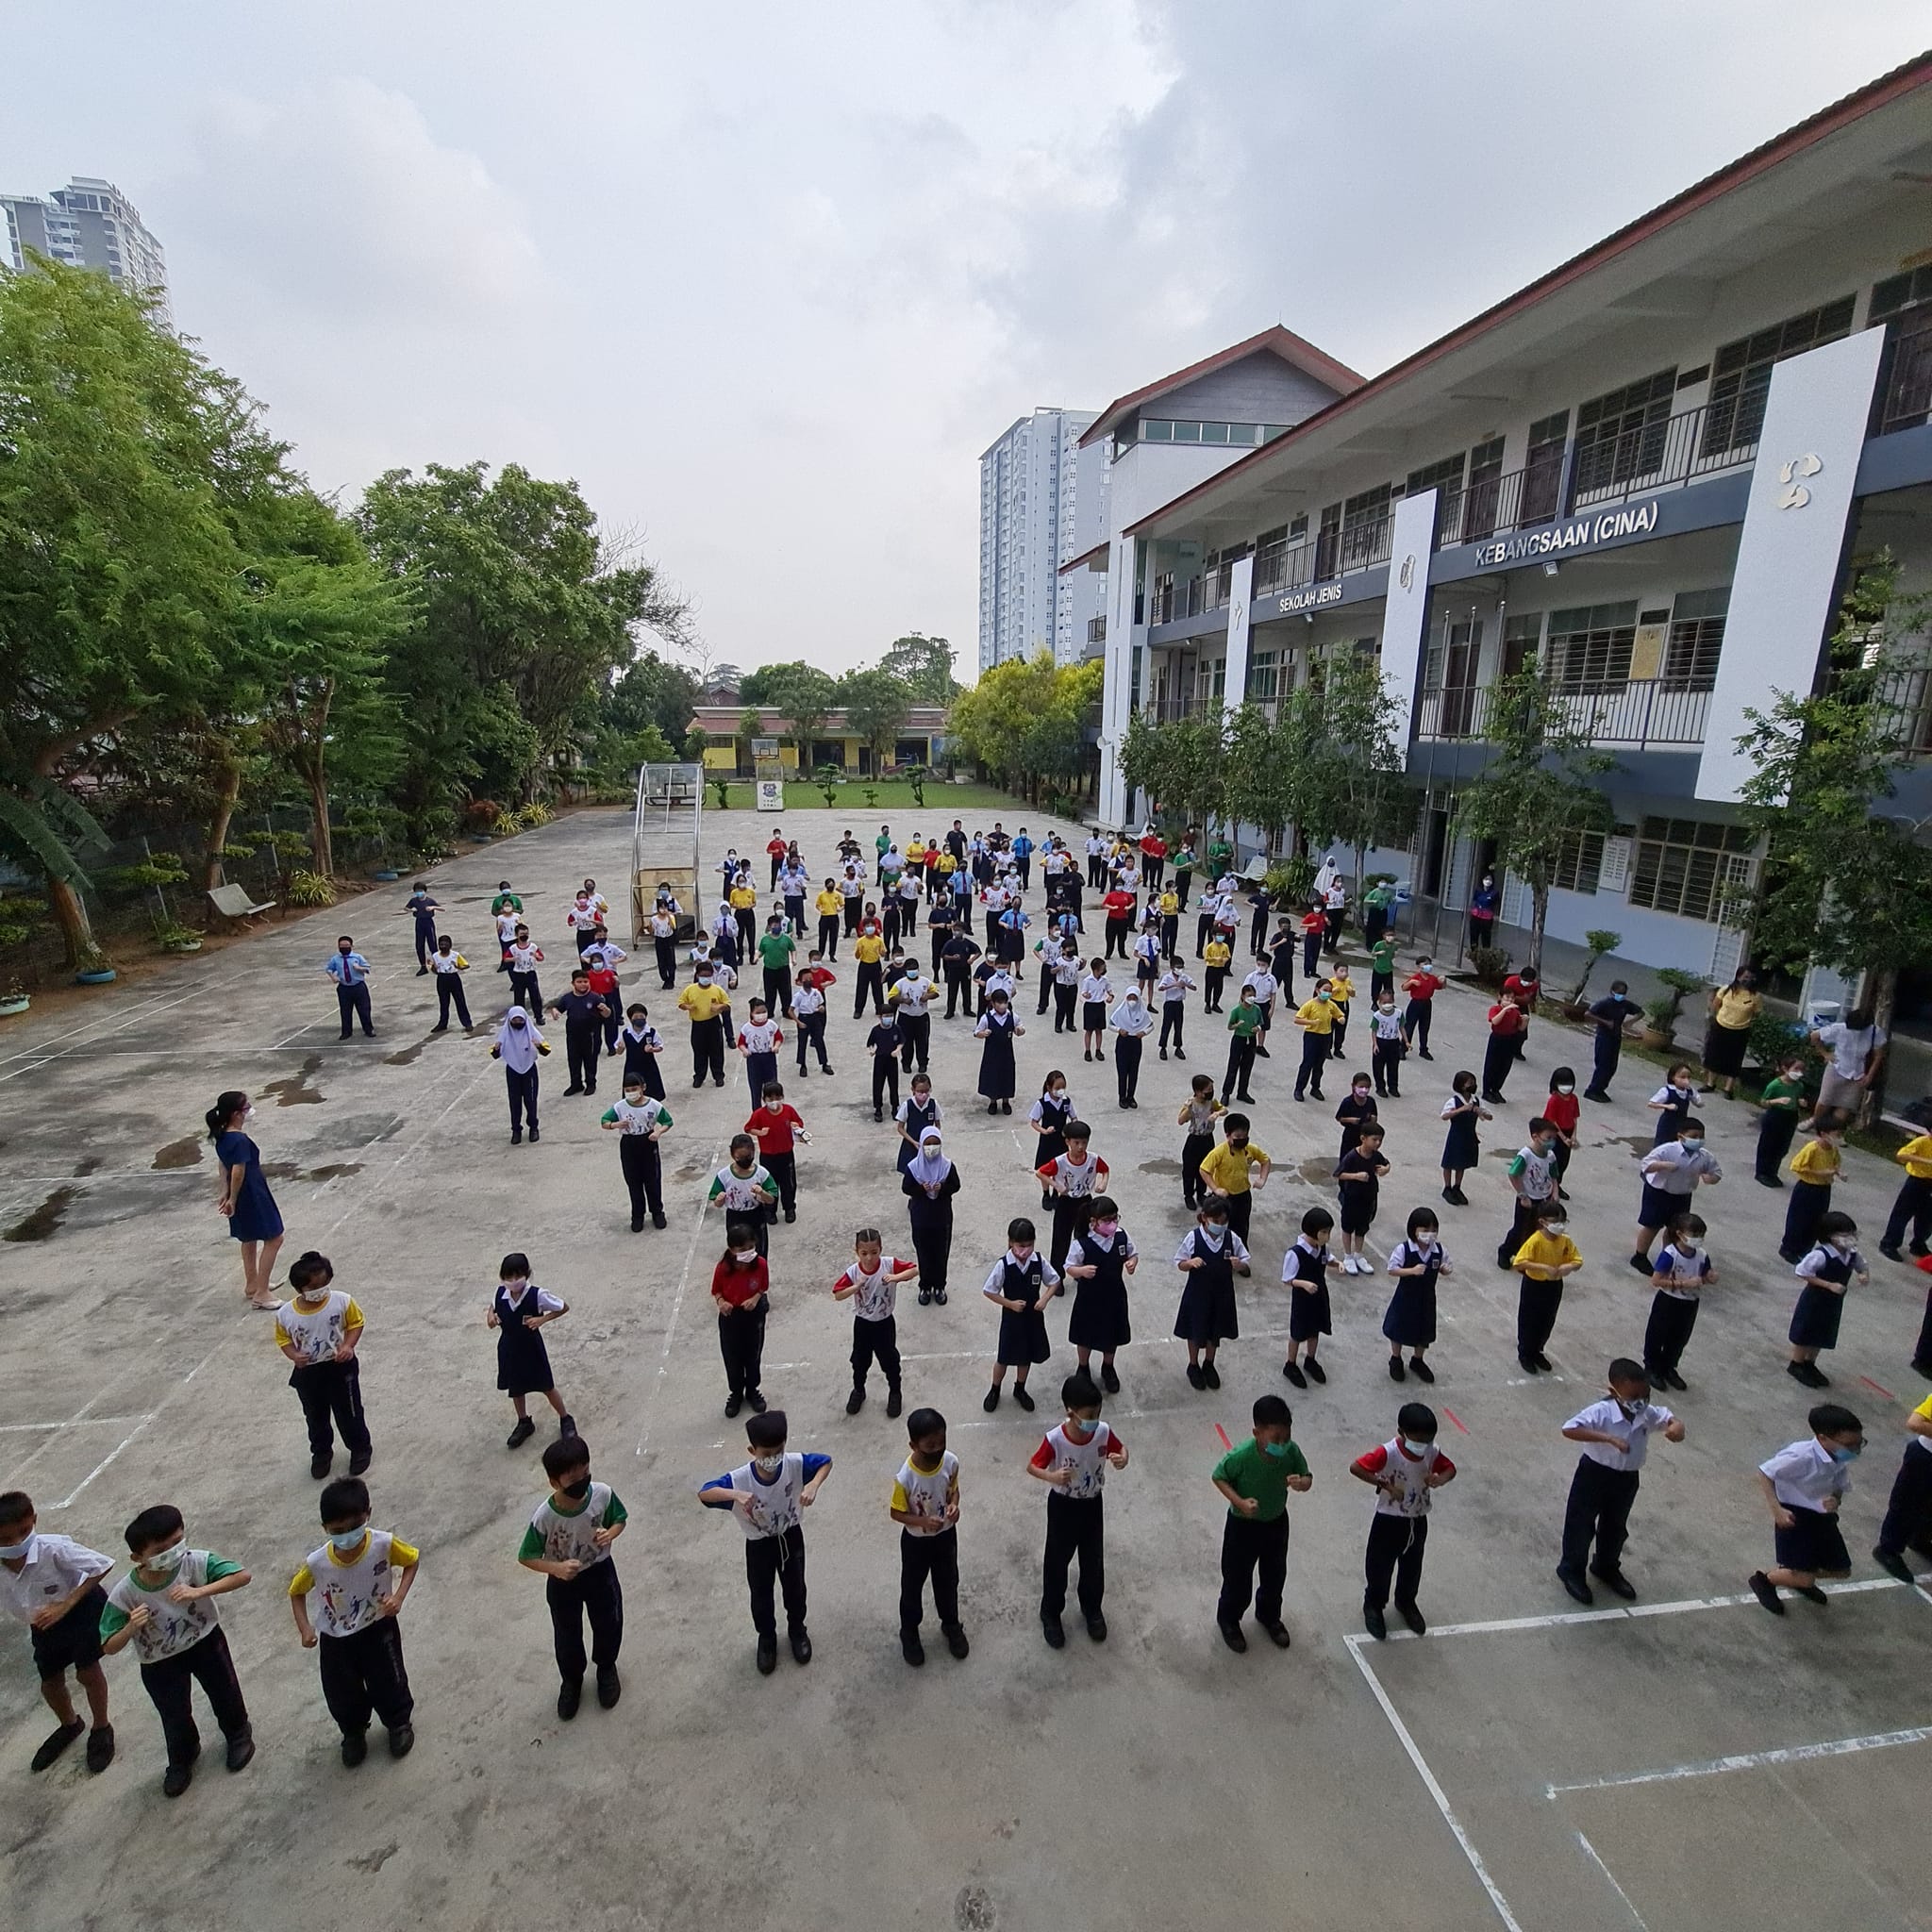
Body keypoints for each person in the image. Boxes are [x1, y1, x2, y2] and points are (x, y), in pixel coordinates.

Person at [99, 1506, 255, 1797]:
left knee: (224, 1691)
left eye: (177, 1541)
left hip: (205, 1640)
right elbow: (109, 1646)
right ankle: (183, 1755)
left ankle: (238, 1733)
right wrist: (131, 1627)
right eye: (161, 1549)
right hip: (159, 1661)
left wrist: (199, 1592)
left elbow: (242, 1576)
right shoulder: (125, 1594)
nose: (172, 1552)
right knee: (173, 1712)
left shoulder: (194, 1563)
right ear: (138, 1558)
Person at [287, 1476, 417, 1764]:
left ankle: (398, 1723)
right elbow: (296, 1592)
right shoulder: (317, 1563)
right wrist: (305, 1628)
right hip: (336, 1639)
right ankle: (353, 1732)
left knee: (389, 1678)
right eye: (338, 1531)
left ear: (367, 1514)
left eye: (355, 1526)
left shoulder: (383, 1544)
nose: (348, 1535)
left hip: (378, 1627)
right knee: (341, 1689)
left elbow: (411, 1561)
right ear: (325, 1529)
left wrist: (398, 1596)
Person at [700, 1410, 830, 1674]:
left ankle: (797, 1630)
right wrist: (734, 1495)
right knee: (761, 1594)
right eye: (766, 1453)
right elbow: (705, 1493)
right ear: (752, 1450)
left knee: (796, 1589)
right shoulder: (740, 1479)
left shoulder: (794, 1464)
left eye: (779, 1450)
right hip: (759, 1545)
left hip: (790, 1537)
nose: (773, 1458)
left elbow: (826, 1462)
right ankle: (767, 1639)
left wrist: (814, 1484)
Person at [0, 1491, 115, 1775]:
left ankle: (101, 1727)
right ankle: (70, 1724)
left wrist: (66, 1604)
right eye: (4, 1540)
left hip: (81, 1611)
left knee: (87, 1673)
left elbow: (101, 1565)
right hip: (42, 1623)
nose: (16, 1543)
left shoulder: (53, 1549)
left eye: (24, 1532)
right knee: (50, 1684)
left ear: (34, 1521)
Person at [1555, 1359, 1684, 1605]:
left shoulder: (1646, 1413)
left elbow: (1668, 1418)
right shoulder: (1601, 1412)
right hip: (1594, 1475)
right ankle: (1571, 1570)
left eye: (1645, 1395)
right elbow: (1569, 1429)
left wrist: (1676, 1427)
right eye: (1633, 1395)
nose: (1641, 1400)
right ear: (1614, 1392)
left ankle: (1606, 1566)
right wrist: (1608, 1439)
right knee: (1581, 1525)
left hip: (1626, 1478)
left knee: (1615, 1527)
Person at [1028, 1371, 1127, 1648]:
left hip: (1092, 1503)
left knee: (1093, 1559)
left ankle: (1092, 1609)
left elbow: (1120, 1449)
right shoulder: (1055, 1440)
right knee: (1057, 1561)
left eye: (1097, 1413)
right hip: (1063, 1506)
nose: (1094, 1421)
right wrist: (1052, 1476)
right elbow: (1032, 1465)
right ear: (1070, 1413)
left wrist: (1122, 1459)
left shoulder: (1103, 1432)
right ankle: (1050, 1613)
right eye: (1089, 1415)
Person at [1211, 1393, 1308, 1653]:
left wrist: (1303, 1483)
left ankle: (1269, 1616)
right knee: (1237, 1578)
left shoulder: (1291, 1452)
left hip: (1276, 1522)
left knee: (1275, 1575)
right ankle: (1229, 1620)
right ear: (1257, 1432)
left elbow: (1306, 1475)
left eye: (1286, 1437)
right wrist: (1240, 1503)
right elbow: (1219, 1477)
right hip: (1243, 1526)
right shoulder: (1241, 1456)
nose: (1282, 1443)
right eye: (1275, 1438)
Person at [1350, 1404, 1455, 1641]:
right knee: (1379, 1567)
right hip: (1389, 1520)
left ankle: (1406, 1601)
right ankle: (1374, 1606)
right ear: (1401, 1432)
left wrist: (1440, 1479)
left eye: (1427, 1441)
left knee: (1412, 1565)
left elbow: (1450, 1469)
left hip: (1417, 1519)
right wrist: (1385, 1485)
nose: (1422, 1447)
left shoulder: (1431, 1451)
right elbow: (1356, 1467)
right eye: (1418, 1441)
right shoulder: (1388, 1453)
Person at [1748, 1403, 1864, 1615]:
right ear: (1823, 1438)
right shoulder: (1801, 1456)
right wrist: (1777, 1510)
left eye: (1858, 1444)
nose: (1855, 1450)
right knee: (1805, 1576)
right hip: (1795, 1516)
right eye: (1850, 1445)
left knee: (1841, 1570)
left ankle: (1798, 1576)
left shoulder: (1837, 1458)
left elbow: (1839, 1486)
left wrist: (1836, 1499)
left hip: (1821, 1517)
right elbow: (1765, 1473)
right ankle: (1765, 1580)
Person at [275, 1252, 371, 1479]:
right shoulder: (286, 1314)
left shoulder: (342, 1301)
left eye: (324, 1284)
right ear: (300, 1289)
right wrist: (294, 1356)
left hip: (340, 1368)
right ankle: (321, 1453)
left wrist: (348, 1346)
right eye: (314, 1287)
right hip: (309, 1372)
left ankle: (360, 1449)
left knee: (349, 1412)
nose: (321, 1291)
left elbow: (356, 1323)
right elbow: (283, 1339)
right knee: (315, 1416)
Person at [891, 1409, 968, 1666]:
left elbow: (953, 1491)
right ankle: (910, 1632)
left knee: (948, 1582)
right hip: (916, 1543)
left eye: (941, 1443)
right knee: (912, 1588)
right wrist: (923, 1521)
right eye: (930, 1446)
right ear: (914, 1445)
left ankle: (951, 1624)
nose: (937, 1450)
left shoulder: (951, 1462)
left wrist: (954, 1507)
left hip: (945, 1537)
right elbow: (896, 1512)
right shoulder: (905, 1477)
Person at [208, 1090, 284, 1310]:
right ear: (236, 1114)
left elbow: (223, 1165)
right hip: (251, 1192)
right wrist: (232, 1196)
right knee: (274, 1237)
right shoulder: (239, 1140)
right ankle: (262, 1293)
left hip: (238, 1192)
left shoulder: (222, 1136)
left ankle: (253, 1283)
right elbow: (238, 1170)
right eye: (245, 1108)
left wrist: (225, 1192)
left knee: (248, 1238)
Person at [487, 1254, 574, 1447]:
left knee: (546, 1386)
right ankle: (524, 1421)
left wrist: (542, 1319)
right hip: (509, 1348)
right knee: (516, 1388)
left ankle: (565, 1418)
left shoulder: (538, 1295)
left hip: (531, 1348)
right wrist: (491, 1317)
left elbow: (563, 1307)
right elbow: (492, 1307)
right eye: (508, 1278)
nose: (512, 1282)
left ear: (527, 1275)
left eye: (516, 1277)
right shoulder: (500, 1293)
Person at [833, 1230, 918, 1418]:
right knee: (859, 1361)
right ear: (857, 1251)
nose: (870, 1258)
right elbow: (838, 1294)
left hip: (884, 1323)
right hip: (863, 1324)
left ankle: (895, 1392)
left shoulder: (888, 1264)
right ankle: (858, 1390)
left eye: (874, 1252)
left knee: (890, 1360)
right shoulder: (853, 1272)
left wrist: (895, 1277)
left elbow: (914, 1269)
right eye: (864, 1253)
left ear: (881, 1249)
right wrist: (856, 1287)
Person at [982, 1217, 1058, 1413]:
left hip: (1032, 1318)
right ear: (1010, 1242)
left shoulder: (1038, 1261)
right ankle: (995, 1389)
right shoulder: (1003, 1265)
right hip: (1012, 1319)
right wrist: (1010, 1304)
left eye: (1029, 1245)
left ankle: (1020, 1388)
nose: (1024, 1250)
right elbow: (989, 1291)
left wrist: (1045, 1299)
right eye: (1020, 1245)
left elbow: (1054, 1281)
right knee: (1004, 1357)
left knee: (1025, 1357)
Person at [1787, 1208, 1868, 1389]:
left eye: (1852, 1234)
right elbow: (1802, 1271)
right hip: (1815, 1299)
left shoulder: (1851, 1253)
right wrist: (1828, 1285)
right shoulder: (1821, 1255)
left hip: (1834, 1302)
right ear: (1830, 1236)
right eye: (1845, 1234)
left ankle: (1810, 1362)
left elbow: (1861, 1265)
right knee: (1806, 1330)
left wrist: (1863, 1274)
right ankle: (1797, 1363)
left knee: (1823, 1332)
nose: (1850, 1238)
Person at [1063, 1195, 1136, 1393]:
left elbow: (1133, 1253)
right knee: (1085, 1335)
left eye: (1114, 1219)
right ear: (1093, 1221)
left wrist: (1132, 1263)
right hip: (1090, 1298)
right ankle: (1083, 1367)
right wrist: (1081, 1272)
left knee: (1112, 1335)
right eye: (1106, 1220)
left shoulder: (1121, 1237)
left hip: (1114, 1296)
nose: (1111, 1224)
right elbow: (1069, 1266)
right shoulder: (1082, 1243)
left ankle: (1108, 1367)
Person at [1174, 1199, 1248, 1390]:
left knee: (1215, 1331)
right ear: (1205, 1218)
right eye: (1216, 1221)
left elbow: (1245, 1260)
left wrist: (1239, 1264)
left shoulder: (1232, 1239)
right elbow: (1180, 1262)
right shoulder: (1193, 1237)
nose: (1220, 1225)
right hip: (1198, 1294)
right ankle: (1193, 1365)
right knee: (1195, 1329)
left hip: (1222, 1294)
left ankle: (1209, 1363)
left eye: (1224, 1222)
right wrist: (1190, 1263)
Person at [1631, 1116, 1721, 1273]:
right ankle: (1639, 1256)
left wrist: (1710, 1178)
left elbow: (1717, 1172)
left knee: (1676, 1228)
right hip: (1659, 1192)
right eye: (1694, 1137)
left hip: (1682, 1195)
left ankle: (1671, 1255)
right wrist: (1662, 1165)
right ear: (1681, 1136)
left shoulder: (1704, 1156)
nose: (1698, 1140)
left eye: (1701, 1137)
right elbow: (1645, 1164)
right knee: (1652, 1225)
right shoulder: (1668, 1150)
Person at [1642, 1211, 1712, 1391]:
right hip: (1669, 1300)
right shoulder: (1671, 1255)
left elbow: (1705, 1273)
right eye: (1694, 1235)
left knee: (1680, 1336)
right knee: (1658, 1334)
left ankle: (1669, 1366)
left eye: (1700, 1236)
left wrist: (1710, 1277)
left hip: (1690, 1302)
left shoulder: (1702, 1255)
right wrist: (1683, 1283)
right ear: (1680, 1234)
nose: (1698, 1239)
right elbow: (1656, 1281)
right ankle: (1652, 1368)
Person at [1511, 1201, 1581, 1375]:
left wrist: (1569, 1267)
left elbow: (1577, 1260)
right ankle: (1525, 1354)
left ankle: (1537, 1351)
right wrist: (1543, 1267)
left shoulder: (1565, 1241)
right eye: (1556, 1221)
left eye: (1563, 1221)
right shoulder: (1535, 1240)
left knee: (1547, 1319)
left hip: (1554, 1285)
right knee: (1530, 1320)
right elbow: (1519, 1262)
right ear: (1543, 1222)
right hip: (1534, 1285)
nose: (1560, 1225)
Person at [1871, 1391, 1932, 1582]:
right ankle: (1888, 1549)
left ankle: (1919, 1539)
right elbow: (1915, 1423)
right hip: (1925, 1457)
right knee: (1907, 1505)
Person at [711, 1223, 772, 1419]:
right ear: (732, 1250)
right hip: (731, 1317)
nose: (748, 1252)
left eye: (750, 1247)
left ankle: (752, 1390)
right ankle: (736, 1393)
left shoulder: (760, 1264)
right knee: (732, 1356)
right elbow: (716, 1290)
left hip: (753, 1315)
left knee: (753, 1354)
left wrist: (755, 1299)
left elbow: (763, 1286)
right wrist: (722, 1302)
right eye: (742, 1249)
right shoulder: (723, 1268)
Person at [1382, 1208, 1448, 1384]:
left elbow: (1444, 1264)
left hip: (1426, 1299)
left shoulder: (1438, 1250)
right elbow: (1392, 1269)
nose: (1430, 1234)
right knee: (1399, 1328)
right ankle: (1395, 1358)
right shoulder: (1404, 1249)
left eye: (1433, 1230)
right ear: (1414, 1230)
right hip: (1406, 1297)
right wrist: (1411, 1271)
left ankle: (1417, 1360)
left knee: (1423, 1330)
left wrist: (1444, 1269)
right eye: (1425, 1230)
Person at [601, 1077, 672, 1232]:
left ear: (643, 1087)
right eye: (628, 1090)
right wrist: (615, 1125)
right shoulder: (620, 1107)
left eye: (634, 1089)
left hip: (648, 1142)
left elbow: (668, 1121)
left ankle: (657, 1212)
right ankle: (637, 1215)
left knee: (652, 1180)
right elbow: (604, 1121)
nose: (631, 1093)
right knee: (633, 1181)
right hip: (629, 1144)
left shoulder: (653, 1105)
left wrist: (658, 1132)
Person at [1038, 1122, 1108, 1273]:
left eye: (1084, 1142)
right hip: (1066, 1202)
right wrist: (1055, 1186)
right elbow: (1040, 1172)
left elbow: (1105, 1170)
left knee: (1086, 1237)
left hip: (1085, 1201)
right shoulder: (1060, 1161)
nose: (1081, 1147)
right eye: (1076, 1143)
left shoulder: (1093, 1159)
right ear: (1068, 1142)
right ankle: (1058, 1275)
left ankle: (1082, 1270)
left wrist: (1103, 1183)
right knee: (1060, 1239)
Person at [902, 1129, 960, 1307]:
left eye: (935, 1143)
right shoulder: (913, 1167)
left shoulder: (947, 1166)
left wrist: (942, 1187)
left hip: (942, 1217)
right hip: (921, 1218)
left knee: (941, 1254)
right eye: (928, 1144)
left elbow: (956, 1186)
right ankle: (925, 1287)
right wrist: (921, 1189)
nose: (931, 1148)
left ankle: (940, 1287)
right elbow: (906, 1188)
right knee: (924, 1253)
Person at [1779, 1110, 1846, 1262]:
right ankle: (1789, 1248)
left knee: (1817, 1220)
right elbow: (1797, 1166)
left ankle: (1805, 1249)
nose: (1838, 1138)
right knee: (1799, 1219)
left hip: (1823, 1189)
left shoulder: (1833, 1150)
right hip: (1807, 1188)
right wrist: (1820, 1173)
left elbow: (1835, 1165)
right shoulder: (1812, 1149)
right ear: (1823, 1134)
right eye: (1836, 1135)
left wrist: (1838, 1173)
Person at [1280, 1207, 1336, 1390]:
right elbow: (1287, 1279)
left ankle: (1310, 1360)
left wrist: (1338, 1264)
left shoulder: (1322, 1249)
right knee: (1298, 1332)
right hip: (1302, 1300)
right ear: (1312, 1231)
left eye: (1328, 1232)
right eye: (1324, 1232)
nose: (1327, 1236)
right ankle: (1290, 1364)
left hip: (1319, 1296)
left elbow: (1328, 1259)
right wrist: (1303, 1284)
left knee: (1315, 1329)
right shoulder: (1295, 1253)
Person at [1496, 1118, 1561, 1271]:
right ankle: (1505, 1252)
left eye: (1554, 1138)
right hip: (1528, 1199)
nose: (1551, 1142)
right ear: (1535, 1137)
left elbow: (1554, 1176)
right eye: (1548, 1138)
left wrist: (1555, 1193)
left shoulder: (1550, 1156)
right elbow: (1513, 1175)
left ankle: (1526, 1258)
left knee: (1536, 1230)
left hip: (1543, 1199)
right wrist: (1523, 1195)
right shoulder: (1526, 1156)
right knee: (1520, 1228)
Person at [1198, 1113, 1271, 1246]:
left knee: (1242, 1227)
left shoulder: (1250, 1149)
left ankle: (1241, 1252)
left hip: (1243, 1196)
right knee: (1221, 1226)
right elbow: (1204, 1170)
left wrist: (1262, 1179)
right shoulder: (1219, 1152)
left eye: (1245, 1137)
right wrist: (1216, 1189)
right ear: (1228, 1135)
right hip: (1225, 1198)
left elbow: (1265, 1161)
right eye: (1237, 1137)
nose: (1241, 1140)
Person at [708, 1136, 779, 1258]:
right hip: (735, 1217)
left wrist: (762, 1193)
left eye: (748, 1157)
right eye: (739, 1158)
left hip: (756, 1215)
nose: (744, 1161)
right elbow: (717, 1202)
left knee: (760, 1251)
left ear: (753, 1152)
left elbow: (772, 1199)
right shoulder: (724, 1175)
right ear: (732, 1155)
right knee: (738, 1252)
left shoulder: (762, 1173)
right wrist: (719, 1200)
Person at [1809, 1003, 1887, 1116]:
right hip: (1838, 1068)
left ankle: (1834, 1127)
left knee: (1846, 1105)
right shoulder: (1839, 1029)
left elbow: (1878, 1055)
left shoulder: (1875, 1032)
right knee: (1825, 1100)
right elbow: (1814, 1036)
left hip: (1858, 1073)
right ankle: (1816, 1122)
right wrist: (1825, 1054)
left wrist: (1869, 1075)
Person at [1336, 1124, 1390, 1278]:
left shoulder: (1376, 1155)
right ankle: (1348, 1256)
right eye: (1374, 1140)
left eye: (1380, 1140)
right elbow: (1338, 1174)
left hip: (1369, 1197)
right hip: (1352, 1197)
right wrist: (1356, 1176)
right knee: (1348, 1226)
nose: (1378, 1143)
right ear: (1363, 1139)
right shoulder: (1352, 1156)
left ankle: (1358, 1255)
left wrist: (1386, 1169)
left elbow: (1386, 1163)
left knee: (1362, 1227)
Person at [1698, 966, 1761, 1096]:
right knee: (1714, 1055)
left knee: (1734, 1060)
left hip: (1740, 1031)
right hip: (1721, 1026)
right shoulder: (1726, 990)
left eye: (1751, 978)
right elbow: (1715, 1006)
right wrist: (1716, 1020)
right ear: (1738, 976)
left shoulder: (1756, 996)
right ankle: (1710, 1084)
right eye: (1746, 977)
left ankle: (1728, 1089)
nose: (1748, 980)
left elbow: (1757, 1014)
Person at [549, 970, 611, 1097]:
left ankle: (591, 1083)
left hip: (590, 1035)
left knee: (590, 1060)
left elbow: (607, 1014)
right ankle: (576, 1084)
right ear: (573, 983)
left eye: (585, 982)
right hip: (572, 1035)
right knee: (573, 1060)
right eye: (579, 982)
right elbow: (557, 1008)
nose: (583, 984)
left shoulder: (595, 997)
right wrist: (555, 1012)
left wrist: (606, 1010)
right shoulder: (567, 998)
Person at [491, 1006, 548, 1145]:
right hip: (513, 1071)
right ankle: (516, 1130)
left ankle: (533, 1127)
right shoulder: (505, 1035)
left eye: (520, 1019)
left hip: (529, 1070)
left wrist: (539, 1046)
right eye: (514, 1020)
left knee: (531, 1100)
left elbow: (547, 1051)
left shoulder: (532, 1033)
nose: (517, 1022)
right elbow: (495, 1053)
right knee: (514, 1102)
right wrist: (496, 1049)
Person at [1754, 1052, 1810, 1189]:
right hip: (1775, 1115)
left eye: (1801, 1070)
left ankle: (1773, 1172)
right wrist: (1776, 1101)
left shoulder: (1799, 1086)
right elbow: (1763, 1102)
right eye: (1796, 1069)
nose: (1799, 1073)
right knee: (1768, 1145)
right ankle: (1762, 1172)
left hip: (1790, 1117)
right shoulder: (1775, 1085)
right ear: (1785, 1068)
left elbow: (1797, 1099)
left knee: (1782, 1146)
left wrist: (1801, 1102)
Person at [1582, 979, 1644, 1102]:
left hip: (1616, 1037)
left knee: (1612, 1066)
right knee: (1602, 1065)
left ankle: (1601, 1089)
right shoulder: (1605, 1003)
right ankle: (1592, 1090)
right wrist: (1605, 1022)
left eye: (1623, 993)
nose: (1621, 995)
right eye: (1619, 992)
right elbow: (1588, 1014)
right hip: (1604, 1036)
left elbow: (1641, 1012)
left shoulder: (1625, 1005)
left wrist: (1630, 1022)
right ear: (1612, 991)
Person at [1878, 1127, 1932, 1263]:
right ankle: (1889, 1243)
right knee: (1902, 1213)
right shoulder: (1922, 1141)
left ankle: (1918, 1243)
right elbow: (1901, 1155)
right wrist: (1926, 1161)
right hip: (1917, 1181)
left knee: (1927, 1217)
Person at [677, 959, 732, 1090]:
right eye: (703, 975)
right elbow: (681, 1003)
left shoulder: (717, 990)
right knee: (699, 1051)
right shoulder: (690, 989)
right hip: (697, 1024)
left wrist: (719, 1007)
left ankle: (718, 1076)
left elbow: (727, 1004)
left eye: (708, 975)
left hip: (713, 1023)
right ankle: (699, 1076)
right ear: (697, 975)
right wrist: (688, 1006)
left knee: (716, 1051)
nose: (705, 978)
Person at [1439, 1072, 1489, 1206]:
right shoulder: (1454, 1101)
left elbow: (1486, 1115)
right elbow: (1444, 1116)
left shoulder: (1476, 1101)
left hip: (1469, 1135)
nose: (1472, 1085)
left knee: (1462, 1164)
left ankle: (1457, 1187)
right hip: (1456, 1135)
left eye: (1473, 1082)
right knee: (1449, 1162)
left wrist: (1483, 1114)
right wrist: (1461, 1110)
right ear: (1461, 1085)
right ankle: (1447, 1188)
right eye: (1469, 1083)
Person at [1026, 1072, 1075, 1208]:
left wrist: (1071, 1128)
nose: (1060, 1090)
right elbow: (1034, 1122)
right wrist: (1045, 1131)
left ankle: (1056, 1193)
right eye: (1057, 1087)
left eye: (1063, 1087)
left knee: (1059, 1168)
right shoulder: (1042, 1103)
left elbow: (1073, 1117)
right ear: (1049, 1087)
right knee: (1045, 1168)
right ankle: (1046, 1193)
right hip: (1047, 1141)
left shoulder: (1066, 1102)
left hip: (1061, 1140)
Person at [1291, 977, 1342, 1102]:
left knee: (1319, 1064)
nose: (1328, 993)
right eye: (1325, 990)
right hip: (1312, 1036)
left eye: (1330, 991)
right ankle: (1299, 1089)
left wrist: (1341, 1018)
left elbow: (1339, 1014)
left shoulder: (1331, 1005)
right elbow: (1297, 1019)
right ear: (1317, 990)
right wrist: (1311, 1022)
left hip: (1326, 1036)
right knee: (1307, 1063)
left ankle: (1315, 1088)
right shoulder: (1310, 1004)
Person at [1178, 1077, 1224, 1211]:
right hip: (1194, 1140)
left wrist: (1217, 1113)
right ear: (1198, 1092)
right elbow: (1180, 1120)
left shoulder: (1212, 1103)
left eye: (1211, 1089)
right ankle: (1188, 1195)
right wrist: (1189, 1109)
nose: (1211, 1092)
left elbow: (1224, 1110)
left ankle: (1201, 1193)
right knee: (1189, 1169)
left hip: (1208, 1139)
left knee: (1204, 1168)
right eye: (1208, 1090)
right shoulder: (1191, 1104)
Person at [974, 988, 1022, 1115]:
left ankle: (1006, 1101)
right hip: (992, 1053)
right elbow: (977, 1032)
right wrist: (983, 1034)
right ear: (993, 1004)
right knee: (992, 1076)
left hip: (1007, 1052)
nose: (1002, 1005)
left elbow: (1020, 1029)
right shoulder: (986, 1018)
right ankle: (993, 1101)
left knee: (1007, 1075)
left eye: (1004, 1002)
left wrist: (1019, 1031)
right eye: (999, 1003)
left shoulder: (1012, 1016)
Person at [888, 960, 936, 1074]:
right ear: (906, 971)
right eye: (910, 969)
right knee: (906, 1042)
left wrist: (928, 996)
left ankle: (922, 1063)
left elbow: (936, 992)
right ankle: (906, 1064)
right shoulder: (900, 983)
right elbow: (891, 997)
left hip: (922, 1016)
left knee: (923, 1042)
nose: (913, 971)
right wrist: (903, 1000)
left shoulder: (925, 981)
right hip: (906, 1017)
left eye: (915, 969)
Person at [736, 998, 783, 1112]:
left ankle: (773, 1110)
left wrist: (776, 1046)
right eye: (758, 1013)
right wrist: (745, 1051)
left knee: (772, 1087)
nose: (761, 1015)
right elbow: (741, 1043)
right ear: (752, 1013)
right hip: (754, 1060)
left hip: (768, 1057)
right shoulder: (747, 1028)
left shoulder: (771, 1025)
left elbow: (779, 1038)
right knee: (755, 1089)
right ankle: (757, 1113)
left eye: (763, 1012)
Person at [1108, 987, 1153, 1107]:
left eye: (1134, 998)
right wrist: (1119, 1030)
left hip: (1136, 1042)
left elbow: (1150, 1025)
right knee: (1122, 1072)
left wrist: (1144, 1032)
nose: (1132, 1000)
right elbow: (1111, 1024)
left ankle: (1131, 1096)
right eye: (1130, 998)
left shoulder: (1143, 1012)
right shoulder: (1120, 1011)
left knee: (1134, 1071)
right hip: (1123, 1041)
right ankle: (1122, 1097)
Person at [325, 936, 375, 1040]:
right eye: (341, 946)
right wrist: (333, 977)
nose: (344, 948)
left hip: (358, 986)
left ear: (351, 946)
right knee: (345, 1010)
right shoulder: (335, 959)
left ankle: (368, 1029)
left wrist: (358, 968)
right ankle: (346, 1032)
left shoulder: (357, 957)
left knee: (364, 1009)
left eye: (346, 946)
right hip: (344, 987)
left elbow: (367, 969)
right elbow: (329, 969)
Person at [1480, 993, 1524, 1104]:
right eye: (1507, 998)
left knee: (1505, 1066)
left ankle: (1496, 1089)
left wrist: (1525, 1020)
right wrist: (1505, 1010)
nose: (1509, 1000)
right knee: (1492, 1064)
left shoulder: (1516, 1013)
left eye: (1512, 998)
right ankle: (1486, 1091)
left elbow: (1520, 1027)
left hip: (1510, 1039)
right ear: (1500, 998)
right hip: (1497, 1038)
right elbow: (1494, 1021)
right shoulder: (1495, 1009)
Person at [1543, 1067, 1580, 1197]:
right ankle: (1548, 1185)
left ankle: (1557, 1185)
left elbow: (1575, 1118)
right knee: (1553, 1160)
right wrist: (1563, 1138)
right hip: (1555, 1134)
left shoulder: (1574, 1099)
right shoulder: (1554, 1100)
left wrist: (1574, 1136)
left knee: (1564, 1162)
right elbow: (1553, 1121)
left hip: (1568, 1132)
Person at [895, 1074, 941, 1177]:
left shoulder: (933, 1105)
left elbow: (937, 1125)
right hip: (911, 1146)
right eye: (920, 1092)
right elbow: (900, 1128)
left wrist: (933, 1139)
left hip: (928, 1146)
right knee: (911, 1174)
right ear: (913, 1090)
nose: (924, 1094)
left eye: (926, 1091)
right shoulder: (907, 1105)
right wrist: (913, 1142)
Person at [618, 1002, 665, 1101]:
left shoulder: (651, 1032)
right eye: (636, 1016)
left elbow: (660, 1046)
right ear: (631, 1019)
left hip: (649, 1067)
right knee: (633, 1093)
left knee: (652, 1093)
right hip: (632, 1067)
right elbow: (619, 1051)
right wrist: (620, 1048)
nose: (639, 1019)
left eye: (642, 1016)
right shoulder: (626, 1033)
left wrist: (653, 1049)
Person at [427, 934, 473, 1032]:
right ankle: (443, 1023)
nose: (443, 946)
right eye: (441, 944)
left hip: (453, 978)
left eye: (445, 944)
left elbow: (466, 965)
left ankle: (467, 1022)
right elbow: (435, 971)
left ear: (450, 945)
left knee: (460, 1001)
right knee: (443, 1002)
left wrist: (459, 967)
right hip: (442, 978)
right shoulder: (435, 956)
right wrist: (432, 967)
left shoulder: (455, 955)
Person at [1401, 957, 1444, 1059]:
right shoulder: (1416, 977)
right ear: (1419, 966)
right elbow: (1403, 987)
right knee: (1409, 1027)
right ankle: (1402, 1048)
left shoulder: (1432, 978)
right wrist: (1411, 983)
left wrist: (1443, 980)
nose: (1427, 966)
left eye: (1429, 963)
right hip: (1415, 1003)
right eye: (1424, 964)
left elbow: (1441, 986)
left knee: (1424, 1028)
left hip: (1427, 1004)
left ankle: (1423, 1050)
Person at [865, 1007, 903, 1123]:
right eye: (886, 1016)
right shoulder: (876, 1031)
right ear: (880, 1017)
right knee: (878, 1085)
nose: (889, 1018)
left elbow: (901, 1041)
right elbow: (870, 1043)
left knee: (893, 1085)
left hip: (892, 1060)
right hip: (880, 1060)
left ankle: (895, 1107)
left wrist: (897, 1050)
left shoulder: (896, 1029)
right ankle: (878, 1109)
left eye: (890, 1016)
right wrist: (871, 1050)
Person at [1646, 1063, 1697, 1146]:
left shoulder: (1689, 1091)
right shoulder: (1667, 1091)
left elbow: (1697, 1101)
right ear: (1673, 1077)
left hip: (1681, 1123)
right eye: (1682, 1077)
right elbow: (1651, 1103)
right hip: (1667, 1123)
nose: (1686, 1080)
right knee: (1662, 1144)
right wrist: (1667, 1106)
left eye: (1688, 1077)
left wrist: (1696, 1100)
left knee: (1677, 1145)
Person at [757, 914, 797, 1020]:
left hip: (783, 969)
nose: (777, 927)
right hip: (769, 970)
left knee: (786, 991)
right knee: (769, 992)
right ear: (770, 927)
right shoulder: (765, 939)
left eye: (778, 924)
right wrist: (756, 957)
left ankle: (786, 1011)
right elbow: (761, 951)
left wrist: (793, 959)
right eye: (774, 925)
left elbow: (792, 949)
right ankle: (769, 1012)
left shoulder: (786, 938)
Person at [1156, 961, 1195, 1061]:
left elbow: (1194, 987)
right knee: (1166, 1026)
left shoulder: (1184, 977)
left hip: (1179, 1003)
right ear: (1172, 968)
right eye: (1178, 967)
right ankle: (1163, 1047)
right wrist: (1174, 985)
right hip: (1169, 1004)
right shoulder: (1167, 977)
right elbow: (1161, 988)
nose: (1180, 970)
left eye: (1181, 967)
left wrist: (1185, 985)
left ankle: (1178, 1047)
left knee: (1178, 1026)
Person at [1369, 993, 1406, 1097]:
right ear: (1380, 1003)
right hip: (1381, 1042)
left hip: (1394, 1042)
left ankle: (1393, 1087)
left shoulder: (1398, 1013)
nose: (1387, 1004)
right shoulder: (1377, 1015)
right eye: (1384, 1003)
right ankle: (1380, 1088)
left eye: (1389, 1002)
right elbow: (1374, 1031)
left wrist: (1406, 1041)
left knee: (1393, 1066)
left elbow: (1402, 1027)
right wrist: (1375, 1044)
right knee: (1378, 1067)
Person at [1336, 1072, 1378, 1158]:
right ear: (1353, 1086)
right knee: (1346, 1159)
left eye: (1367, 1087)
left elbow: (1374, 1116)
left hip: (1364, 1137)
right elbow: (1339, 1117)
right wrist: (1351, 1120)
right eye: (1361, 1087)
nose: (1364, 1090)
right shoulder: (1347, 1102)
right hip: (1350, 1136)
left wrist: (1373, 1120)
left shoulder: (1370, 1102)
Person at [1078, 958, 1113, 1062]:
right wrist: (1086, 995)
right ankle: (1087, 1051)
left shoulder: (1105, 980)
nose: (1104, 970)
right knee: (1089, 1030)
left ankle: (1098, 1050)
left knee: (1099, 1030)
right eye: (1102, 968)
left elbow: (1110, 990)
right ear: (1096, 969)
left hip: (1100, 1005)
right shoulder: (1088, 980)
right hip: (1090, 1006)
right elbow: (1083, 992)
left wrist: (1111, 996)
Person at [506, 925, 545, 1018]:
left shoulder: (533, 946)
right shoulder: (513, 948)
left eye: (526, 934)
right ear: (516, 935)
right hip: (519, 974)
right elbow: (505, 959)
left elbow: (541, 958)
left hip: (530, 973)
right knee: (519, 997)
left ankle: (539, 1016)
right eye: (522, 934)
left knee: (535, 996)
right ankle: (519, 1016)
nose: (524, 936)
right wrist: (513, 959)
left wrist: (536, 955)